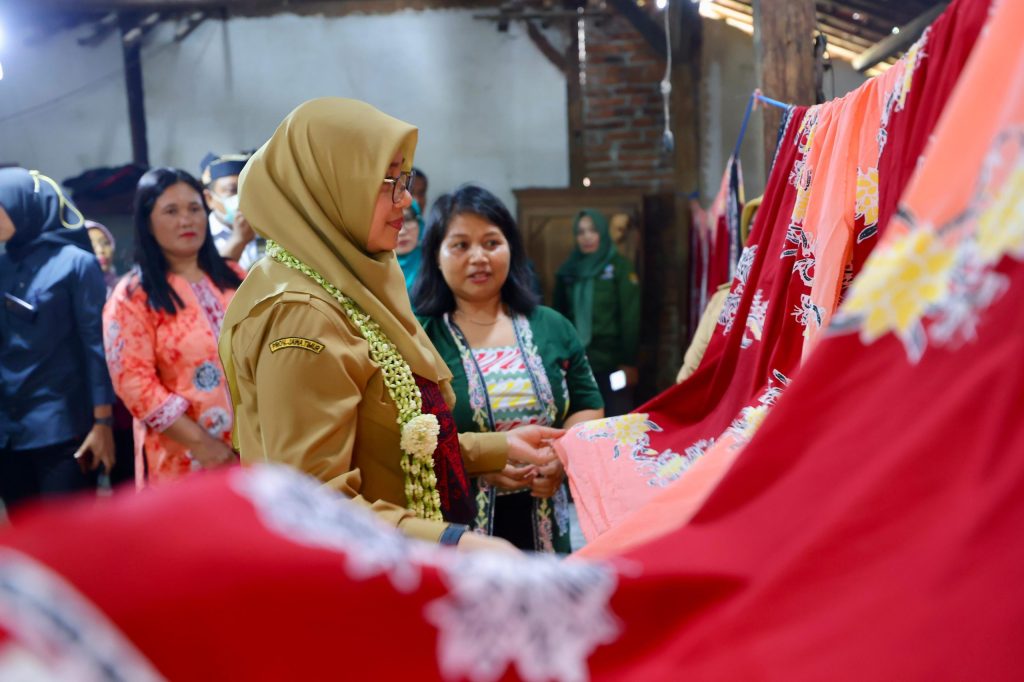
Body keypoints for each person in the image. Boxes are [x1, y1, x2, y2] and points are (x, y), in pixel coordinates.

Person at [220, 97, 563, 551]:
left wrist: (501, 447)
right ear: (331, 185)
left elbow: (395, 442)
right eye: (388, 182)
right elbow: (314, 504)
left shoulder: (348, 283)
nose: (405, 200)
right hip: (360, 586)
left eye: (405, 180)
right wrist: (455, 544)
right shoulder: (300, 316)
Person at [414, 184, 604, 552]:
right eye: (460, 245)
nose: (478, 257)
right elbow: (409, 435)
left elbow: (587, 402)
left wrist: (561, 459)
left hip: (546, 514)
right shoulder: (420, 339)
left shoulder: (552, 326)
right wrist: (480, 459)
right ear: (436, 255)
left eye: (491, 242)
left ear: (511, 248)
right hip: (460, 532)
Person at [103, 168, 244, 487]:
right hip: (183, 455)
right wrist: (203, 444)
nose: (186, 220)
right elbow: (134, 382)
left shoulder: (235, 277)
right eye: (171, 211)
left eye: (194, 209)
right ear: (147, 222)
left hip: (255, 448)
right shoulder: (133, 296)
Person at [0, 168, 115, 509]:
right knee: (26, 540)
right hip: (8, 431)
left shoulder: (76, 263)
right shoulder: (3, 264)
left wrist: (103, 422)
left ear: (22, 206)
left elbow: (96, 347)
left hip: (64, 427)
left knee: (72, 538)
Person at [553, 209, 641, 416]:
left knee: (616, 416)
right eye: (581, 232)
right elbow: (559, 317)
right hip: (577, 363)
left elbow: (630, 318)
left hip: (612, 361)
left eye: (592, 230)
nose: (587, 237)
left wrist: (629, 362)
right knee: (582, 419)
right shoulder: (568, 271)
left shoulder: (619, 267)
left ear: (602, 232)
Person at [86, 219, 135, 487]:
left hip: (125, 398)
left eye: (105, 243)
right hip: (94, 400)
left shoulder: (124, 288)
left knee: (126, 474)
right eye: (92, 245)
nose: (101, 251)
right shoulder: (78, 293)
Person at [200, 151, 263, 270]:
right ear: (209, 199)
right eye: (232, 190)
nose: (241, 198)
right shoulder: (199, 237)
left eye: (246, 189)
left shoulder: (269, 230)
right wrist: (239, 240)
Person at [396, 199, 423, 294]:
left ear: (420, 223)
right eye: (395, 223)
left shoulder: (434, 264)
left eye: (408, 220)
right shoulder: (373, 268)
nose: (402, 232)